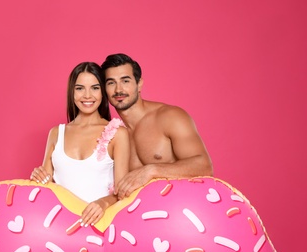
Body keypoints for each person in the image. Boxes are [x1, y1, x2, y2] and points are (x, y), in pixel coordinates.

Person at [101, 53, 213, 200]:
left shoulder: (169, 117)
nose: (118, 90)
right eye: (111, 83)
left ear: (139, 84)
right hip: (138, 218)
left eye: (125, 81)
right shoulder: (114, 135)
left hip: (180, 212)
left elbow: (204, 166)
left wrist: (152, 170)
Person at [30, 62, 130, 227]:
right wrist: (38, 177)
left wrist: (103, 203)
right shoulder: (56, 133)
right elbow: (45, 188)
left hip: (98, 227)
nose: (87, 95)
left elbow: (122, 193)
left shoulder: (118, 134)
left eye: (95, 88)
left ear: (103, 92)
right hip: (58, 228)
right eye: (80, 88)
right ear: (72, 92)